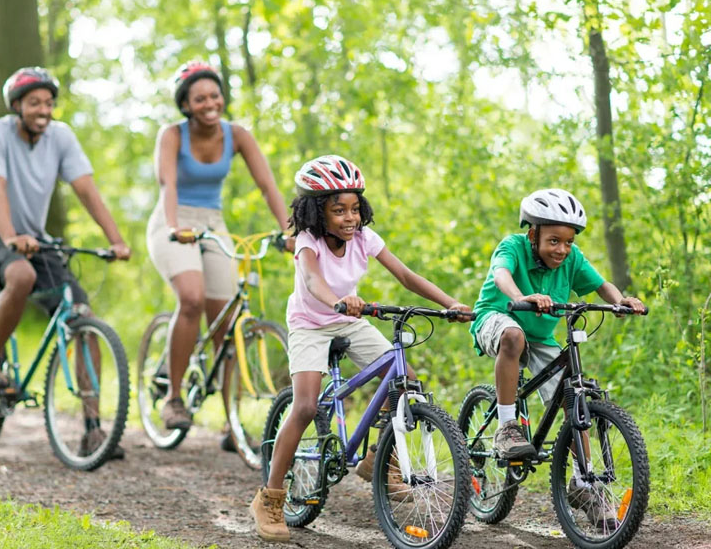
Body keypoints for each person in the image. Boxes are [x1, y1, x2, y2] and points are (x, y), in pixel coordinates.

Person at [249, 155, 472, 542]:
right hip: (310, 323)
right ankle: (270, 497)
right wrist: (337, 300)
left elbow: (405, 275)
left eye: (355, 208)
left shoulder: (365, 238)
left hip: (349, 319)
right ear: (317, 212)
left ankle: (379, 461)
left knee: (405, 381)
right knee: (305, 406)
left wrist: (449, 303)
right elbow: (312, 280)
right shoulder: (308, 242)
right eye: (339, 210)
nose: (350, 218)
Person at [0, 66, 131, 457]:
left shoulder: (61, 137)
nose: (44, 110)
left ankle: (93, 430)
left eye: (49, 103)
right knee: (20, 275)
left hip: (35, 241)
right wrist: (9, 236)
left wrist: (116, 240)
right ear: (17, 106)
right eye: (35, 102)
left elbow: (86, 189)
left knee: (83, 317)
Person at [469, 188, 645, 526]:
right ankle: (506, 426)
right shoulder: (512, 246)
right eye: (553, 241)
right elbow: (501, 275)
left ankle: (583, 483)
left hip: (540, 336)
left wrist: (620, 300)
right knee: (513, 336)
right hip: (497, 318)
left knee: (573, 400)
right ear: (532, 235)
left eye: (568, 241)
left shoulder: (573, 258)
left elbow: (601, 285)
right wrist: (522, 296)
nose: (562, 249)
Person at [146, 61, 293, 434]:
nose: (209, 103)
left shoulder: (238, 135)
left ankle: (232, 421)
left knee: (227, 322)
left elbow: (267, 186)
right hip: (173, 219)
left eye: (215, 95)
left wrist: (290, 231)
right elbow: (167, 185)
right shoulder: (172, 135)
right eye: (200, 98)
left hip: (213, 222)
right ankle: (173, 398)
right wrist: (174, 226)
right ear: (185, 104)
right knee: (191, 299)